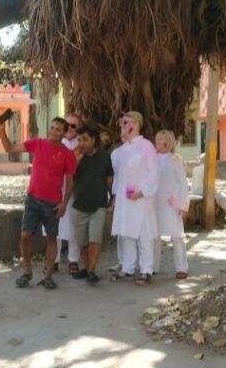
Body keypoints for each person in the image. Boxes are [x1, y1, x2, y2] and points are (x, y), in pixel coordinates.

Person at [0, 114, 76, 289]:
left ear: (63, 134)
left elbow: (70, 182)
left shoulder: (67, 154)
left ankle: (48, 276)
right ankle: (27, 271)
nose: (53, 131)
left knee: (52, 238)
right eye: (52, 127)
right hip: (33, 199)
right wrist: (1, 130)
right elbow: (9, 148)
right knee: (25, 236)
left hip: (53, 203)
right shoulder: (37, 143)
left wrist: (64, 203)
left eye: (58, 130)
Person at [109, 111, 159, 286]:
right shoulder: (120, 151)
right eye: (122, 123)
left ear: (136, 124)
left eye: (127, 122)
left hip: (141, 198)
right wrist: (114, 197)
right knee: (126, 233)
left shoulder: (146, 146)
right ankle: (128, 267)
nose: (124, 126)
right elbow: (115, 173)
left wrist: (143, 191)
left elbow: (153, 173)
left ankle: (146, 270)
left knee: (144, 234)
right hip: (124, 199)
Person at [69, 125, 113, 283]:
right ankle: (87, 268)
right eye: (79, 140)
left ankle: (92, 270)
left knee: (95, 238)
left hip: (99, 205)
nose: (82, 143)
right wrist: (76, 161)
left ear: (94, 140)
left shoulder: (104, 157)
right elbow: (68, 178)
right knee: (82, 241)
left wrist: (112, 198)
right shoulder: (74, 156)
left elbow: (109, 179)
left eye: (85, 139)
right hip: (79, 205)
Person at [153, 130, 190, 280]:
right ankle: (152, 266)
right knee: (154, 236)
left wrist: (183, 205)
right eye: (156, 139)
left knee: (176, 236)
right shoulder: (153, 159)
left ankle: (182, 268)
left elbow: (183, 183)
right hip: (155, 203)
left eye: (161, 139)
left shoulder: (175, 159)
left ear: (168, 142)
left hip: (172, 204)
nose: (158, 142)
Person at [57, 112, 84, 275]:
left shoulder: (83, 145)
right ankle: (53, 259)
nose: (69, 129)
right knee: (55, 225)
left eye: (73, 126)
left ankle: (73, 260)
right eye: (67, 125)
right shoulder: (56, 142)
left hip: (75, 190)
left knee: (74, 225)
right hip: (56, 189)